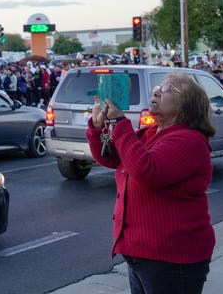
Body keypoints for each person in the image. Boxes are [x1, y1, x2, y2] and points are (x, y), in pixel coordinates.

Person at [86, 72, 216, 294]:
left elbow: (147, 170)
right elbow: (112, 158)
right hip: (143, 255)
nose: (156, 91)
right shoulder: (151, 133)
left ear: (187, 104)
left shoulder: (189, 140)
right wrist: (99, 129)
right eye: (158, 87)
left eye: (167, 89)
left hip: (172, 258)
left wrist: (120, 124)